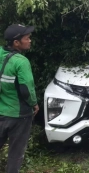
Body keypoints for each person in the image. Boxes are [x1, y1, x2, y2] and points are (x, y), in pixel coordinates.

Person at [0, 24, 38, 173]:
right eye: (27, 38)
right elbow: (26, 90)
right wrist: (34, 104)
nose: (30, 41)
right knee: (15, 154)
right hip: (18, 116)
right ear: (16, 42)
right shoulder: (21, 62)